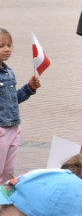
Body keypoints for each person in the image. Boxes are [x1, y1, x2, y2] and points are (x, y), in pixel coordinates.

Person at [0, 28, 41, 182]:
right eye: (1, 46)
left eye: (9, 45)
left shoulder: (9, 73)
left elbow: (13, 99)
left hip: (14, 127)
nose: (7, 49)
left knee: (8, 172)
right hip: (1, 129)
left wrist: (29, 88)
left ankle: (4, 203)